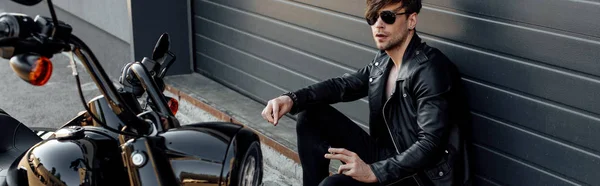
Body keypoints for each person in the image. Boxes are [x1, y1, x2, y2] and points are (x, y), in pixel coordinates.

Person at [261, 0, 471, 185]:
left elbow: (429, 145)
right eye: (372, 18)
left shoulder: (430, 70)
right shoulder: (383, 62)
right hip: (387, 157)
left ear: (411, 21)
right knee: (310, 116)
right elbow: (341, 86)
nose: (378, 25)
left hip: (420, 177)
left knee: (333, 185)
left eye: (388, 16)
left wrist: (374, 171)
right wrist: (292, 99)